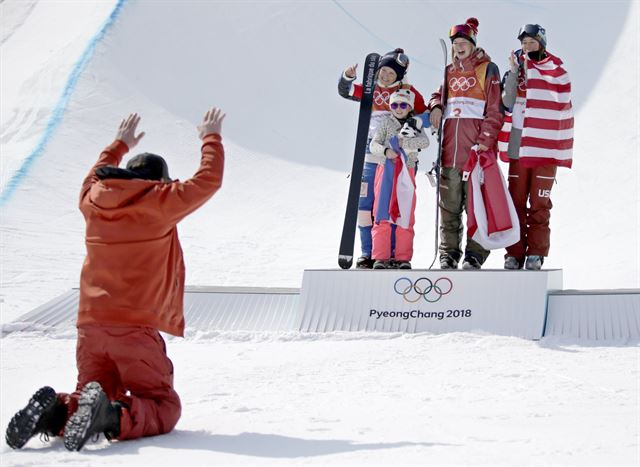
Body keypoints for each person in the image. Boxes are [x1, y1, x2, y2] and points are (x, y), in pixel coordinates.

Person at [5, 108, 226, 451]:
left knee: (89, 396)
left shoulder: (93, 200)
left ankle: (52, 414)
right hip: (134, 328)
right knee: (162, 404)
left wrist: (118, 144)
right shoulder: (160, 201)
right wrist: (210, 136)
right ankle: (112, 418)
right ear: (161, 181)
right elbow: (207, 180)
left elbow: (91, 178)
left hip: (90, 326)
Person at [338, 48, 428, 269]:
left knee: (395, 206)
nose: (386, 76)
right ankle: (369, 252)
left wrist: (416, 122)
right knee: (365, 205)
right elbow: (346, 91)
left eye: (391, 73)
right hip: (371, 155)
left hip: (399, 158)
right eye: (383, 71)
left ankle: (395, 254)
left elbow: (425, 115)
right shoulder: (371, 89)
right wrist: (347, 77)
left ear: (399, 75)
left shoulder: (407, 91)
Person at [428, 18, 503, 270]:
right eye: (455, 43)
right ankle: (448, 254)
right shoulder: (448, 71)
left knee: (476, 208)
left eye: (463, 43)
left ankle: (475, 254)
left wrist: (484, 142)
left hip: (475, 153)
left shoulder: (487, 68)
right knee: (448, 210)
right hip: (449, 153)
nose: (459, 47)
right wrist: (436, 105)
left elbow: (495, 110)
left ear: (472, 44)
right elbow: (439, 94)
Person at [499, 24, 573, 270]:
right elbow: (508, 102)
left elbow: (559, 99)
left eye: (531, 42)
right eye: (523, 43)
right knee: (516, 202)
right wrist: (513, 72)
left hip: (544, 145)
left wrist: (531, 71)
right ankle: (515, 252)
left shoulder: (555, 68)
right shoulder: (517, 71)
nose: (526, 47)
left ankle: (536, 254)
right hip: (519, 142)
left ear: (541, 42)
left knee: (539, 204)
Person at [369, 89, 430, 269]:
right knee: (381, 211)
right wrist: (386, 151)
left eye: (403, 105)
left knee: (405, 211)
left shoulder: (414, 124)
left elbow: (424, 142)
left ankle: (403, 257)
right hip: (386, 169)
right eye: (395, 105)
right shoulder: (386, 122)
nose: (398, 108)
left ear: (410, 106)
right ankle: (381, 257)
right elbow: (374, 144)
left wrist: (404, 143)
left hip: (406, 171)